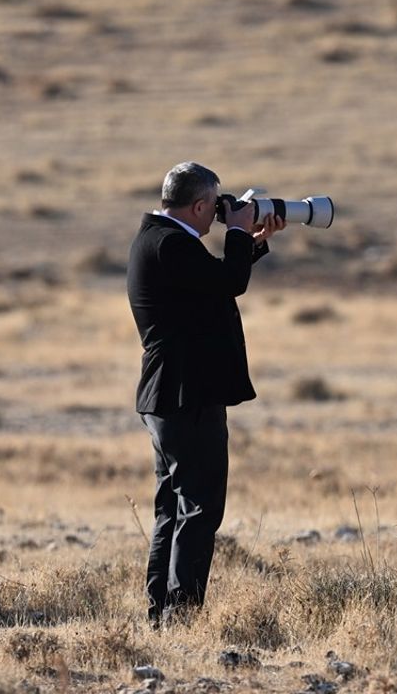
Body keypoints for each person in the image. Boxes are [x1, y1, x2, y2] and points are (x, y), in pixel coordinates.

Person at [126, 161, 287, 627]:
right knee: (199, 507)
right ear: (199, 205)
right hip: (185, 394)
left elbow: (211, 288)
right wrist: (236, 232)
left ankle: (162, 611)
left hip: (168, 396)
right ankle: (180, 614)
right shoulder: (172, 243)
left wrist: (251, 244)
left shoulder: (156, 240)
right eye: (215, 206)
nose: (219, 213)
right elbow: (227, 284)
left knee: (172, 508)